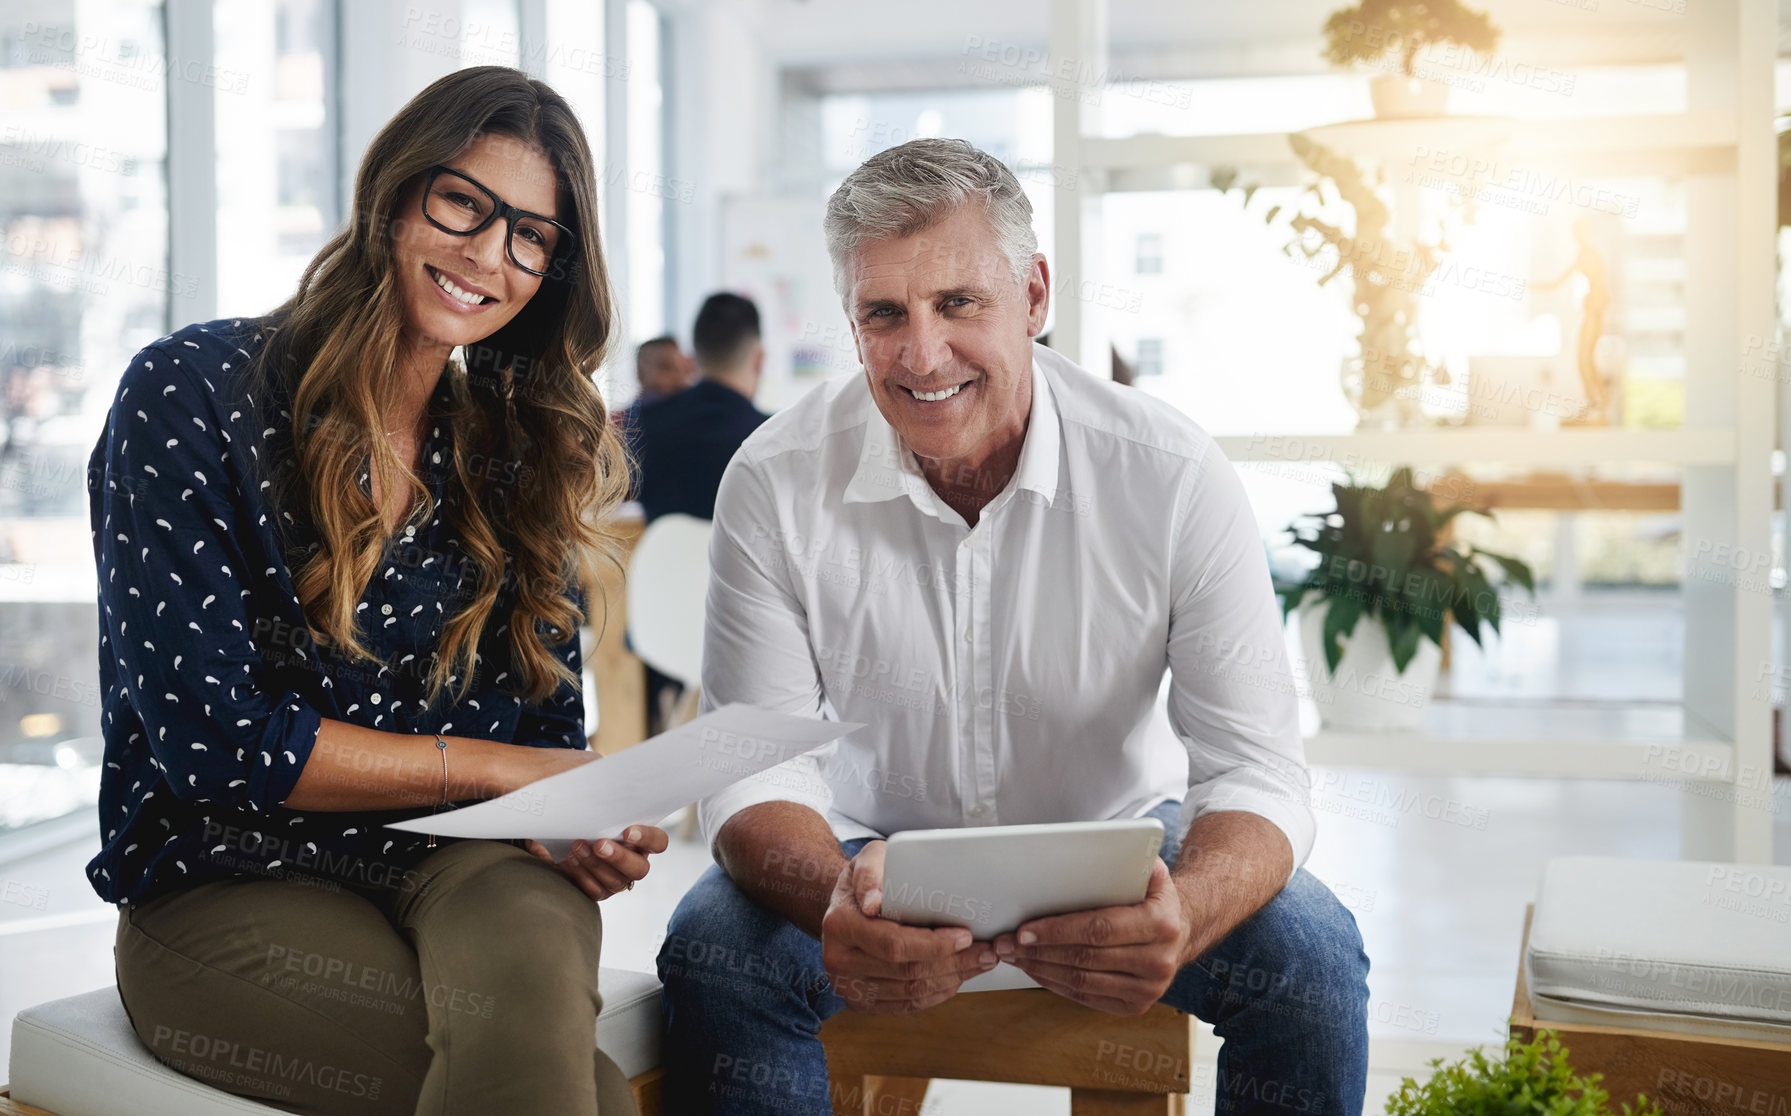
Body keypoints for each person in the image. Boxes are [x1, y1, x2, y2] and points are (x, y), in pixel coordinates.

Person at [656, 138, 1369, 1115]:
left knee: (1313, 965)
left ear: (1033, 296)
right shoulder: (775, 479)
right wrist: (833, 895)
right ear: (852, 322)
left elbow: (1257, 768)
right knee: (713, 953)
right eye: (884, 314)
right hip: (868, 856)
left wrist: (1188, 910)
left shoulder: (1167, 472)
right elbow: (750, 763)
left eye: (958, 303)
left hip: (1123, 846)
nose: (921, 354)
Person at [86, 66, 666, 1116]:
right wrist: (489, 769)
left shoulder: (509, 449)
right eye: (463, 205)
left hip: (468, 859)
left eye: (531, 236)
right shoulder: (194, 393)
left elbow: (545, 727)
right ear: (394, 192)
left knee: (533, 1006)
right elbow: (219, 743)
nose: (489, 255)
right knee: (573, 1088)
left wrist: (575, 810)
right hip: (228, 876)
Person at [628, 292, 771, 523]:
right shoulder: (772, 434)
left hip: (659, 559)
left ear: (692, 359)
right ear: (759, 360)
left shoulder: (643, 423)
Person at [633, 334, 696, 406]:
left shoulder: (699, 410)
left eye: (666, 367)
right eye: (666, 367)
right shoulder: (625, 416)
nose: (653, 376)